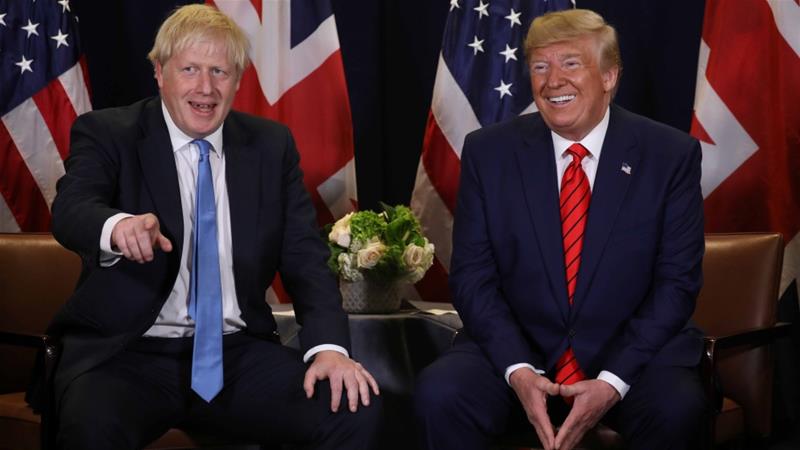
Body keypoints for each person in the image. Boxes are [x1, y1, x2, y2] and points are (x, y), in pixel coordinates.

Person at [43, 4, 380, 449]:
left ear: (238, 80)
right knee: (90, 428)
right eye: (190, 69)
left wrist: (329, 350)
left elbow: (305, 260)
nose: (206, 88)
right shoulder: (109, 132)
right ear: (160, 72)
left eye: (220, 71)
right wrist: (116, 226)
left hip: (236, 355)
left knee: (352, 410)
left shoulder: (270, 146)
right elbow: (71, 207)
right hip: (127, 355)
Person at [415, 9, 706, 450]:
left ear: (609, 76)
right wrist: (517, 369)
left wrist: (611, 381)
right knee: (442, 393)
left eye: (571, 63)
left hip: (629, 356)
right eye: (540, 67)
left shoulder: (668, 155)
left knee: (678, 407)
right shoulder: (489, 153)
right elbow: (473, 278)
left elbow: (676, 284)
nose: (553, 82)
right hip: (519, 351)